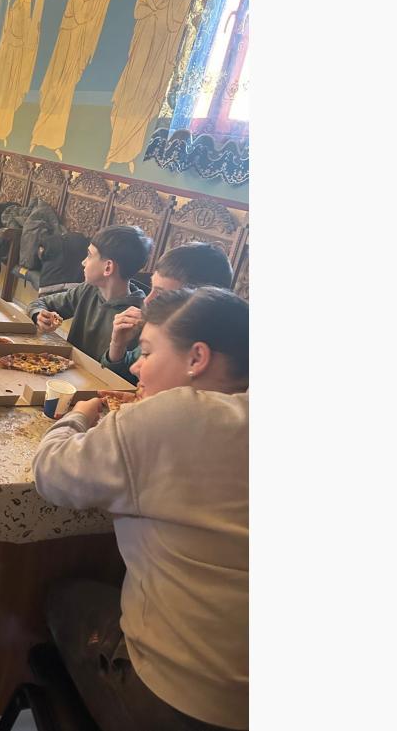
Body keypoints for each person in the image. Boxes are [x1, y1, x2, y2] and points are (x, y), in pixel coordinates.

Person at [33, 286, 249, 731]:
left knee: (63, 595)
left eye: (147, 352)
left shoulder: (171, 416)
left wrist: (78, 416)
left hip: (181, 704)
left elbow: (50, 471)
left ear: (197, 358)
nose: (135, 366)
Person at [103, 241, 234, 382]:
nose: (147, 301)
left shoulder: (206, 357)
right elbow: (126, 376)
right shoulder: (163, 329)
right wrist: (118, 345)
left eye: (161, 294)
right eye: (152, 288)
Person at [27, 224, 151, 358]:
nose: (83, 262)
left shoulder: (138, 318)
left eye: (89, 255)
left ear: (108, 268)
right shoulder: (88, 290)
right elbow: (38, 303)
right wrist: (39, 316)